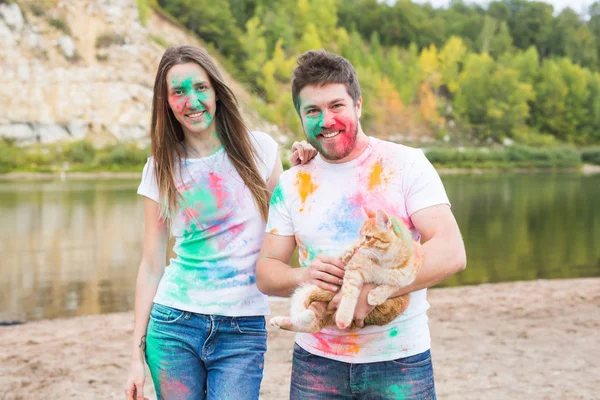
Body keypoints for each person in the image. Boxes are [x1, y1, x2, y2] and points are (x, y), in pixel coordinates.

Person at [256, 49, 467, 399]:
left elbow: (450, 251)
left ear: (358, 105)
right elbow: (266, 271)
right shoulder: (292, 182)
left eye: (336, 106)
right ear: (301, 117)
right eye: (313, 111)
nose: (326, 120)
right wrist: (301, 276)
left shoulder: (406, 163)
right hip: (316, 364)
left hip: (399, 361)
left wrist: (373, 294)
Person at [123, 45, 316, 400]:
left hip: (242, 328)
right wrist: (135, 355)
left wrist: (306, 169)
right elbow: (151, 264)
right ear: (166, 102)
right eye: (178, 92)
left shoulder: (260, 150)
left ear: (216, 92)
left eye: (200, 88)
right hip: (173, 326)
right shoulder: (160, 167)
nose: (191, 101)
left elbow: (291, 225)